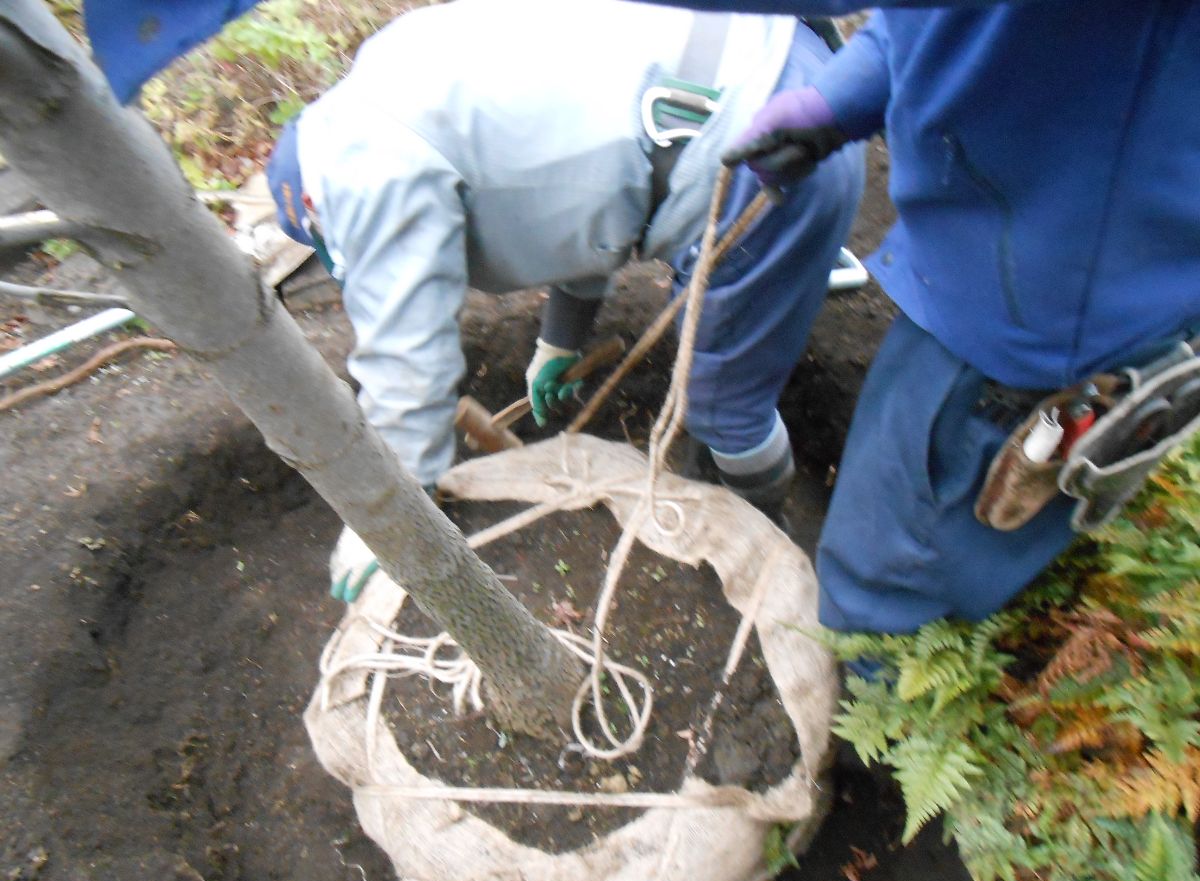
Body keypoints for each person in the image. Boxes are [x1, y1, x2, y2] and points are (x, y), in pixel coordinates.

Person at [627, 0, 1200, 633]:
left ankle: (882, 706)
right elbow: (943, 20)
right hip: (1019, 258)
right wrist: (843, 98)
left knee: (881, 587)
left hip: (1041, 333)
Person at [263, 0, 864, 524]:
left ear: (321, 202)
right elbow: (579, 191)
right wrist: (561, 341)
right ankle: (798, 270)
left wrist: (389, 514)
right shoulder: (400, 69)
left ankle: (764, 524)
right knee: (724, 338)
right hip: (798, 67)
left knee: (720, 402)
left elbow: (407, 357)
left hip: (767, 153)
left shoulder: (364, 166)